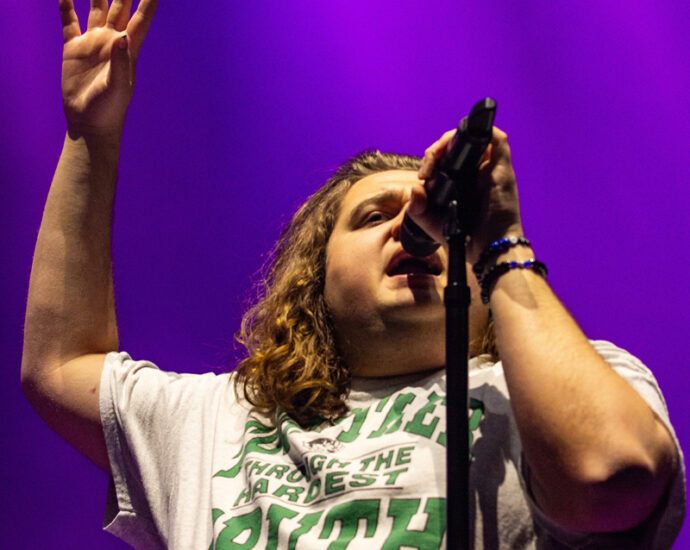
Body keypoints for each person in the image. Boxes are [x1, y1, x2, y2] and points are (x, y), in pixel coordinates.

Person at [21, 1, 685, 549]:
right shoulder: (220, 421)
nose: (409, 228)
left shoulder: (564, 389)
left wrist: (501, 241)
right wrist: (90, 137)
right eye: (373, 216)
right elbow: (61, 365)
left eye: (437, 219)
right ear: (315, 275)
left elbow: (609, 477)